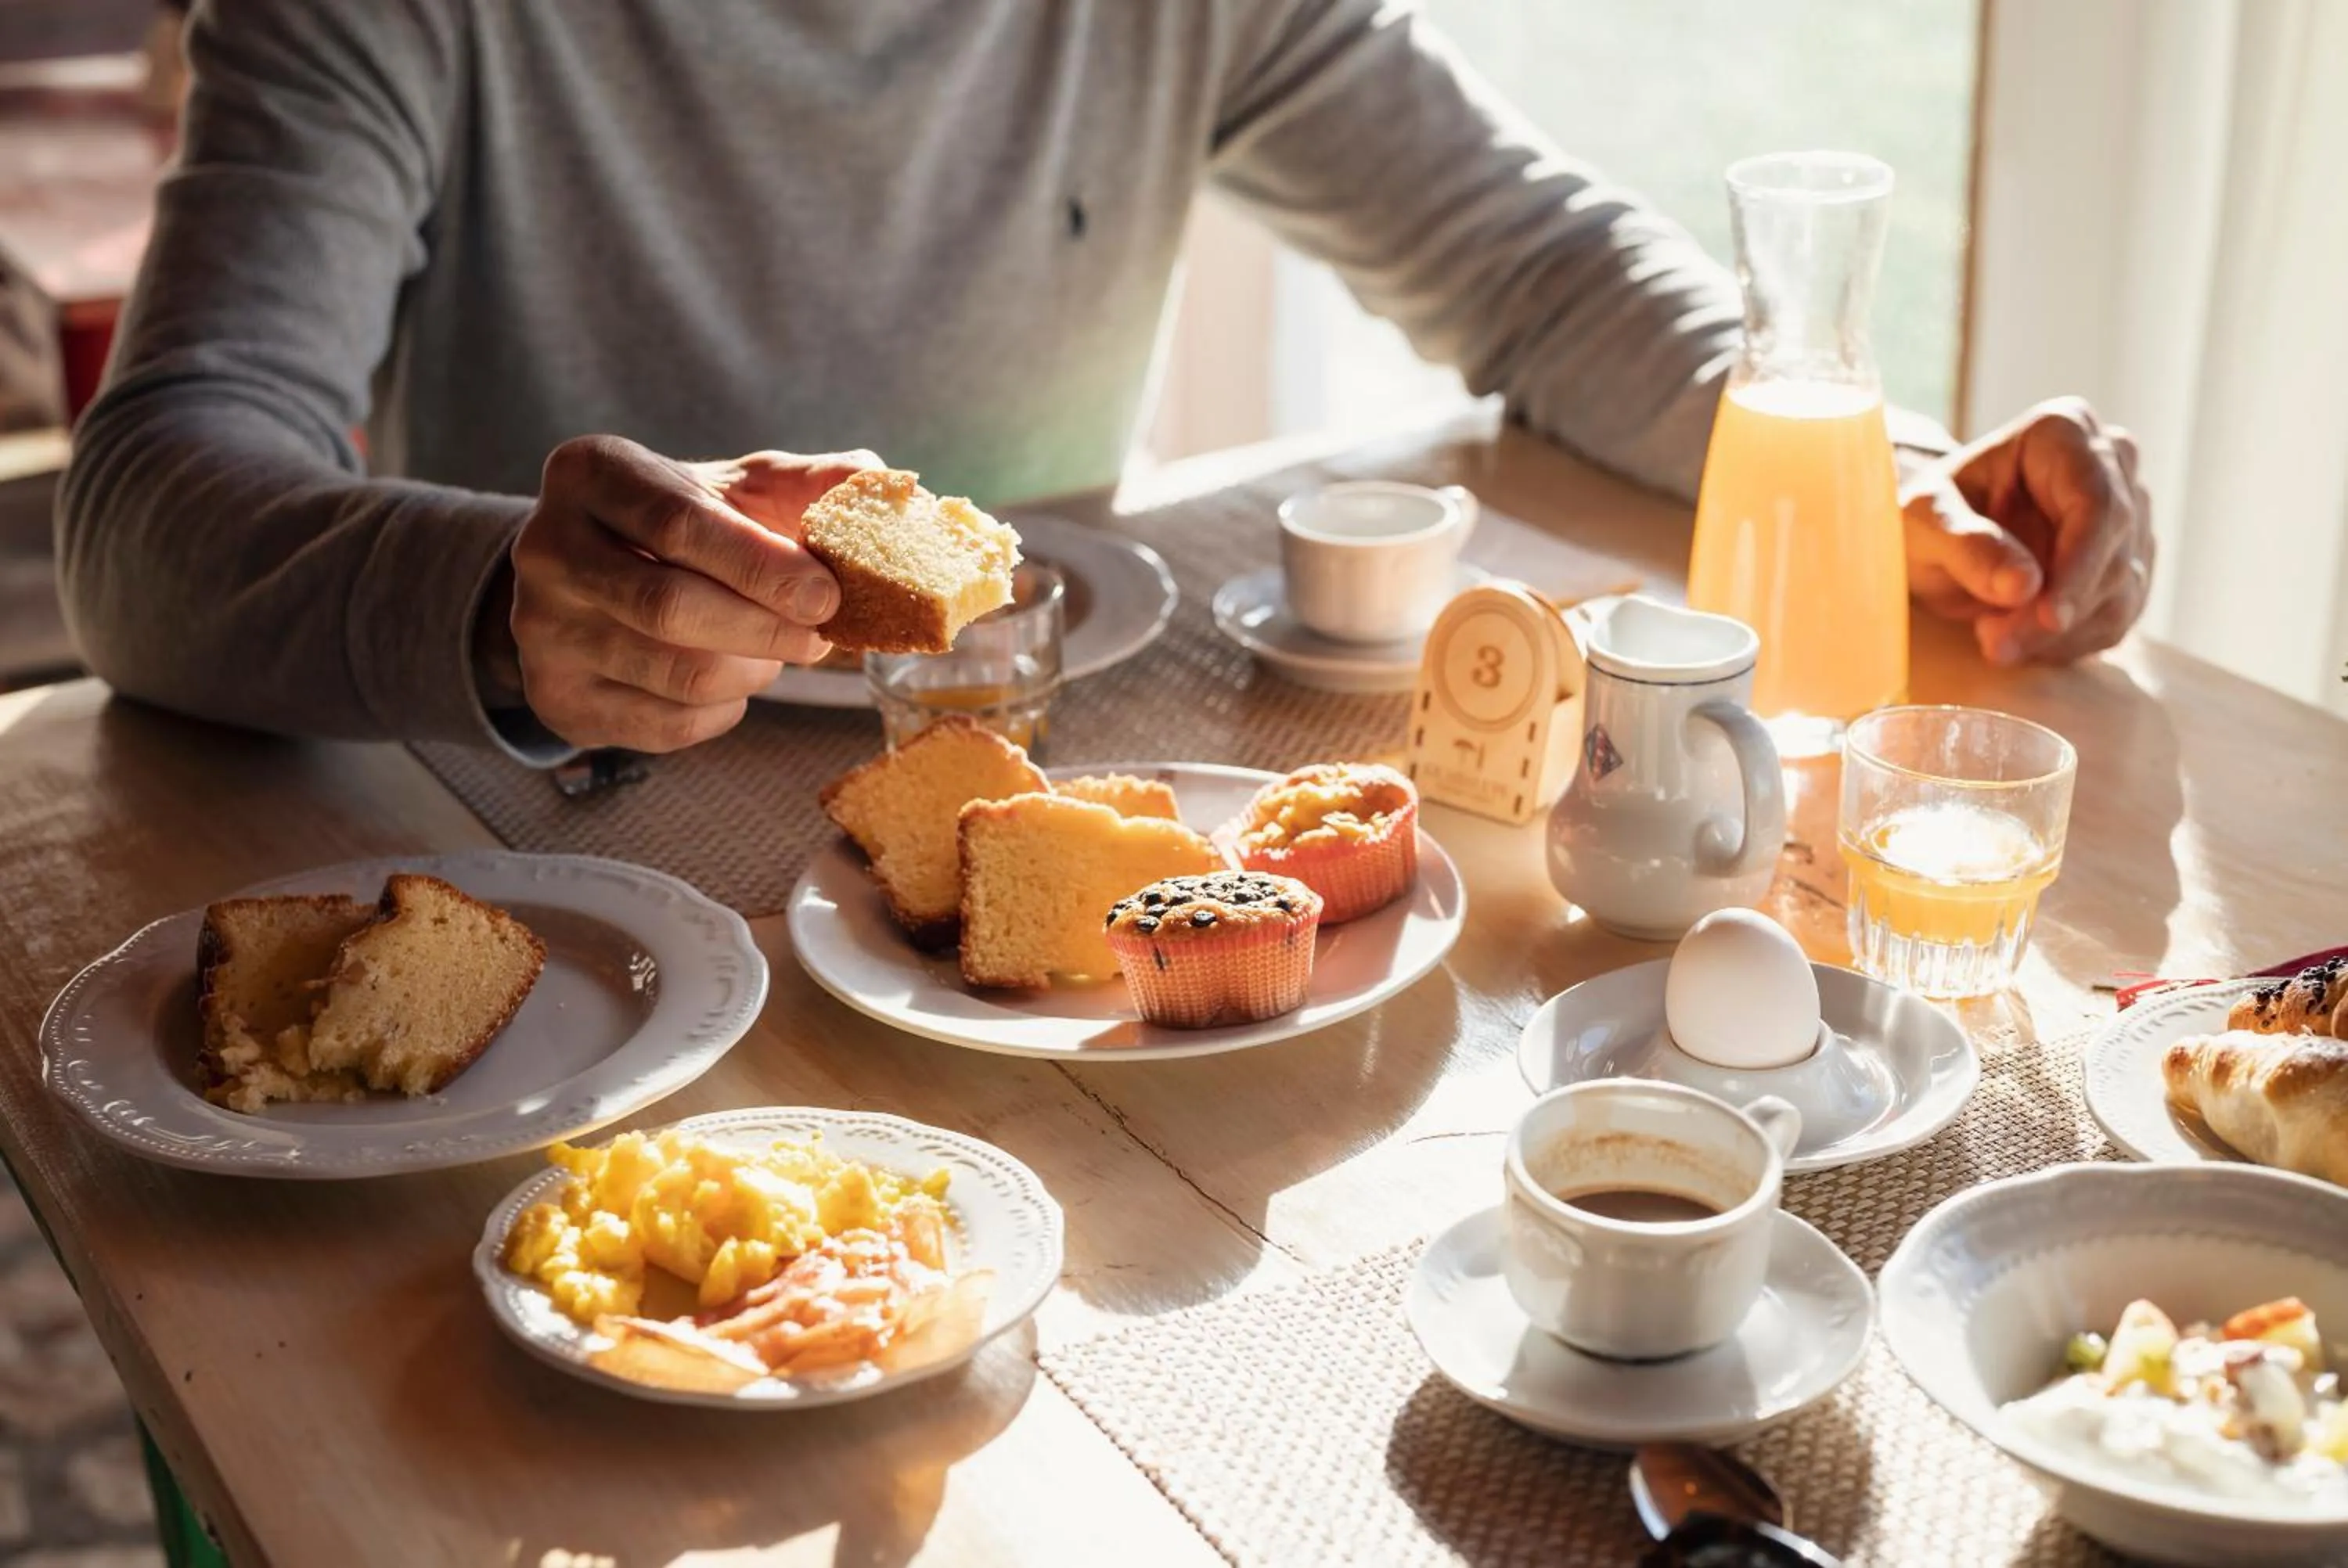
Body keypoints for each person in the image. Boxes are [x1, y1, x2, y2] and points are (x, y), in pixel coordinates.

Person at [59, 0, 2153, 761]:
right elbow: (145, 519)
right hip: (594, 856)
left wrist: (1883, 475)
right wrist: (511, 613)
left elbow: (1529, 260)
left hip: (1040, 809)